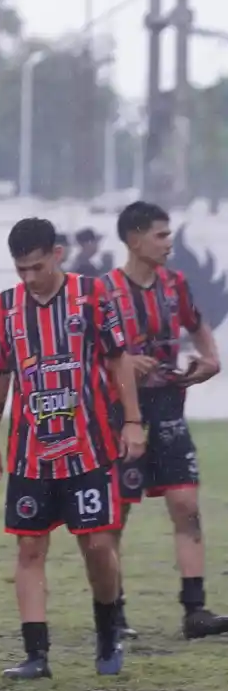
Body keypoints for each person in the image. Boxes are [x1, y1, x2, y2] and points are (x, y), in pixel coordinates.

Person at [0, 217, 146, 680]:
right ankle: (36, 655)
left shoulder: (92, 296)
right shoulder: (7, 307)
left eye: (36, 267)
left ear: (57, 253)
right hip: (31, 453)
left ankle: (108, 630)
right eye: (20, 271)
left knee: (96, 545)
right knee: (30, 549)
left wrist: (132, 422)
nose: (29, 279)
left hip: (89, 450)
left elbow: (119, 362)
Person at [104, 202, 228, 639]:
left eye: (170, 233)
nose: (169, 242)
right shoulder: (105, 292)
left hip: (170, 411)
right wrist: (120, 362)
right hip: (121, 417)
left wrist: (210, 362)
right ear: (134, 240)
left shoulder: (176, 285)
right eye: (160, 234)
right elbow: (88, 353)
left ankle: (195, 611)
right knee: (114, 518)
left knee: (186, 507)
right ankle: (113, 615)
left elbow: (198, 325)